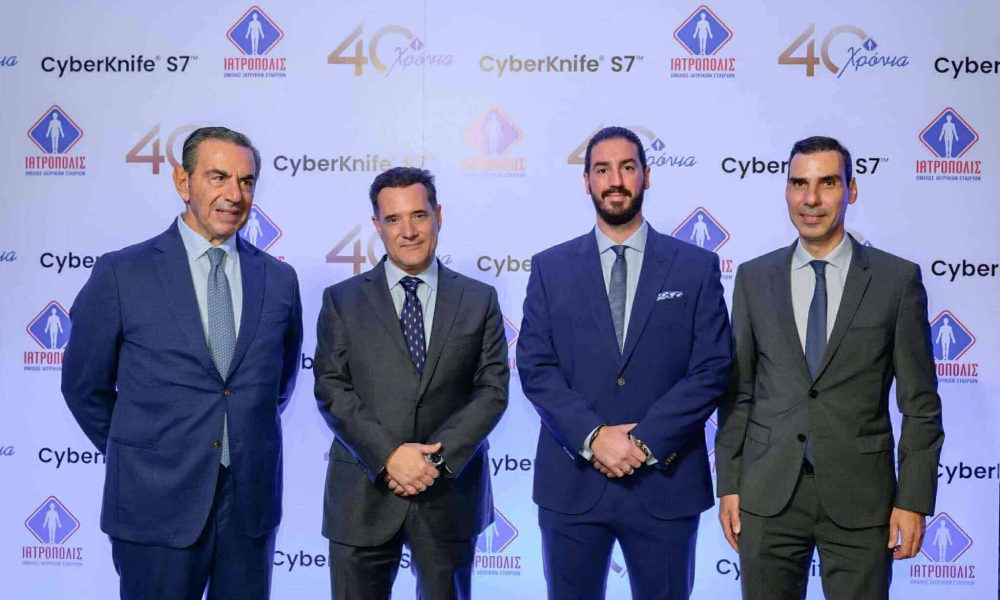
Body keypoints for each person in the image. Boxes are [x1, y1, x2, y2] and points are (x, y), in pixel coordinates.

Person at [62, 126, 303, 600]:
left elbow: (278, 383)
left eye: (246, 181)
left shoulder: (279, 279)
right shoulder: (122, 272)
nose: (234, 194)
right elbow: (83, 386)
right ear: (182, 182)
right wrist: (142, 453)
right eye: (218, 177)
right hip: (154, 505)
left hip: (248, 509)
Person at [715, 136, 944, 599]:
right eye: (799, 183)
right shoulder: (754, 278)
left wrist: (913, 500)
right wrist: (730, 485)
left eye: (827, 183)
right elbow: (739, 393)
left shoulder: (896, 280)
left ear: (851, 189)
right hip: (767, 495)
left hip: (863, 498)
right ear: (786, 190)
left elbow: (920, 404)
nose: (811, 199)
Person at [517, 126, 731, 599]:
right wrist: (594, 437)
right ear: (587, 181)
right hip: (572, 486)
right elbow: (535, 366)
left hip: (665, 482)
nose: (615, 180)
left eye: (627, 167)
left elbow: (712, 368)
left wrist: (643, 441)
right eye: (602, 169)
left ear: (646, 176)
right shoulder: (551, 268)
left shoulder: (695, 267)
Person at [314, 166, 509, 600]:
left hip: (448, 497)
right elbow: (331, 389)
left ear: (438, 215)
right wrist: (389, 456)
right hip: (362, 497)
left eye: (419, 215)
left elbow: (492, 391)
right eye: (393, 219)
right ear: (376, 225)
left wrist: (432, 462)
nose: (408, 231)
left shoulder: (479, 299)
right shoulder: (342, 300)